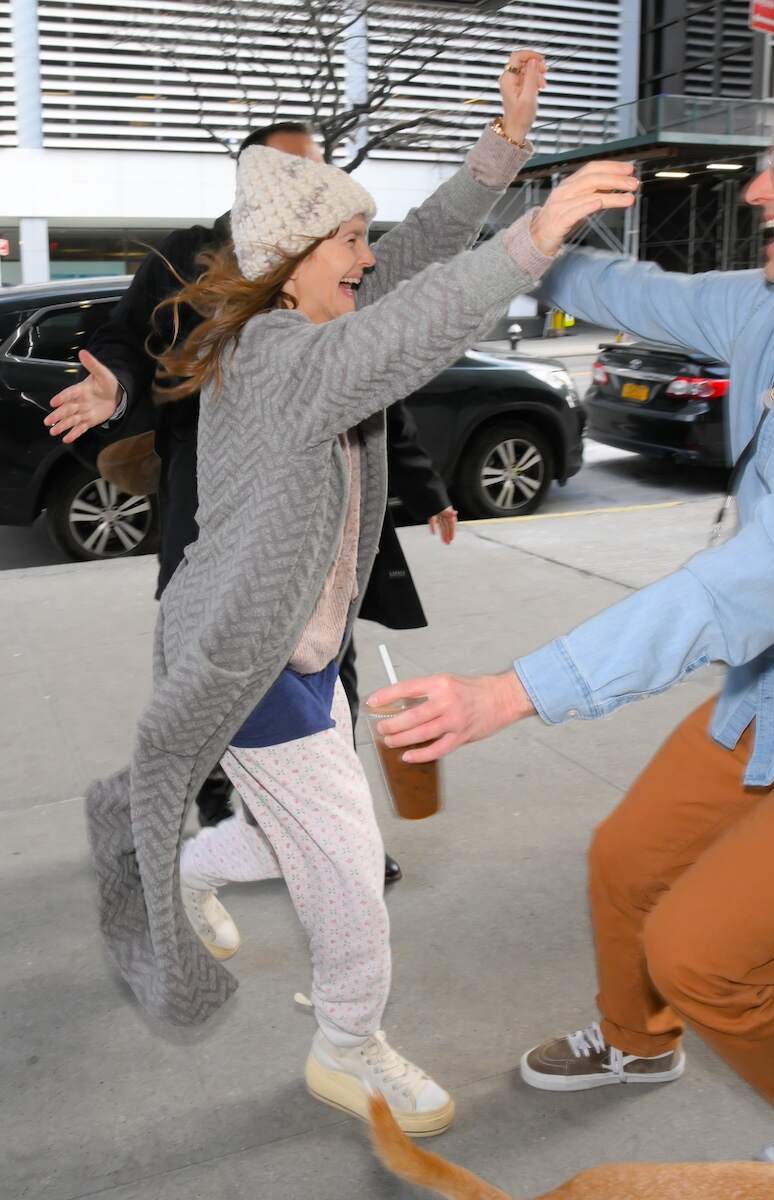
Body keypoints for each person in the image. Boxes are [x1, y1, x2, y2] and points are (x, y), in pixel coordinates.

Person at [76, 53, 638, 1139]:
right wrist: (541, 230)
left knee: (296, 836)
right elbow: (415, 322)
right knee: (346, 873)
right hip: (247, 654)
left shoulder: (307, 309)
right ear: (294, 262)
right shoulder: (282, 354)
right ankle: (347, 1043)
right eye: (349, 244)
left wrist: (504, 150)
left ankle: (184, 860)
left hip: (303, 644)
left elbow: (421, 251)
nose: (369, 259)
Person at [372, 107, 774, 1162]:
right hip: (764, 696)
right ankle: (638, 1041)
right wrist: (532, 215)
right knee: (624, 861)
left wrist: (511, 692)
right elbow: (595, 286)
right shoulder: (761, 310)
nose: (755, 193)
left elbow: (741, 585)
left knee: (704, 955)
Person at [46, 120, 435, 890]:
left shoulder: (335, 258)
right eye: (293, 172)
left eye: (317, 171)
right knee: (208, 686)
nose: (311, 186)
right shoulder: (185, 255)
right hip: (218, 512)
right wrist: (117, 386)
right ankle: (218, 825)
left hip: (317, 514)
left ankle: (328, 833)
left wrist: (429, 489)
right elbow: (126, 342)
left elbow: (379, 369)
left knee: (328, 673)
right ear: (248, 179)